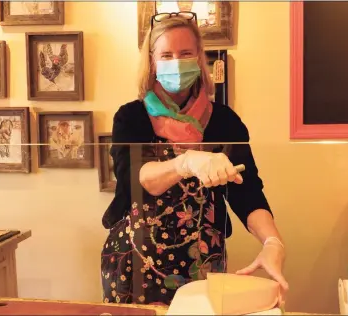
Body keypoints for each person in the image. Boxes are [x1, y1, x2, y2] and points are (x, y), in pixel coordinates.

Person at [101, 12, 287, 306]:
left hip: (202, 263)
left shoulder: (225, 122)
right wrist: (185, 162)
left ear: (199, 58)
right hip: (134, 263)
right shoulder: (131, 117)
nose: (176, 61)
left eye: (185, 53)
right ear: (152, 61)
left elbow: (248, 193)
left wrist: (272, 242)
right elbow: (136, 176)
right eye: (166, 54)